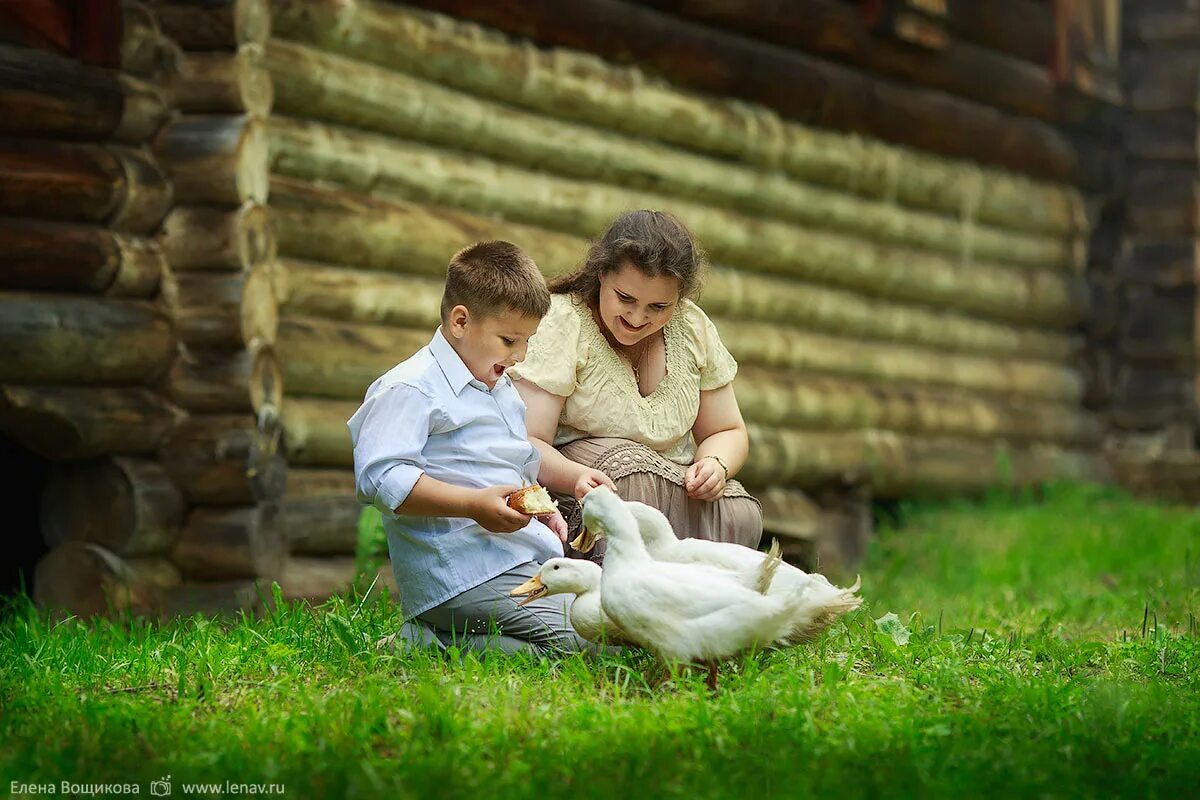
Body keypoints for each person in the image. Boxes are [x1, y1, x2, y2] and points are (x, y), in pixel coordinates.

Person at [347, 241, 601, 655]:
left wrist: (548, 501)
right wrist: (472, 505)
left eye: (527, 342)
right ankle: (429, 646)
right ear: (460, 321)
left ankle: (442, 638)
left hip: (514, 558)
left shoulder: (496, 387)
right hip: (463, 573)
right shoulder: (410, 388)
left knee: (608, 623)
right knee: (594, 644)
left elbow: (511, 460)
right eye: (509, 340)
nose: (519, 356)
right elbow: (382, 479)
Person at [509, 210, 762, 558]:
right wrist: (579, 476)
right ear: (601, 275)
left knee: (737, 512)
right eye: (625, 298)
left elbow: (728, 430)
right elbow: (527, 442)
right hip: (581, 491)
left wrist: (715, 465)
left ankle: (688, 600)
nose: (637, 317)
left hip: (672, 493)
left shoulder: (692, 328)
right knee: (631, 483)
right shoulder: (564, 321)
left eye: (659, 306)